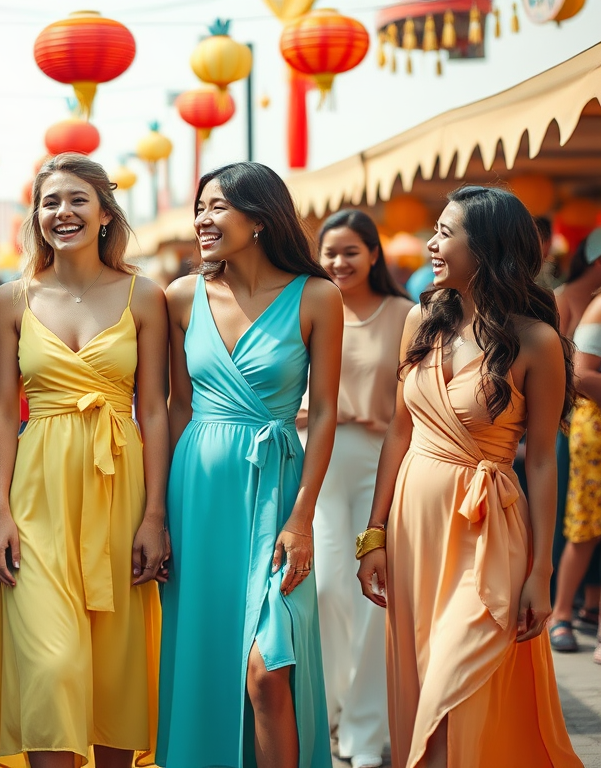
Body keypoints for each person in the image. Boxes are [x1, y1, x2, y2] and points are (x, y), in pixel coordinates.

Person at [357, 186, 582, 768]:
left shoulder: (536, 341)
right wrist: (373, 535)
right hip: (413, 530)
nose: (431, 243)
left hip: (489, 532)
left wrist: (542, 573)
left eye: (445, 232)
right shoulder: (420, 321)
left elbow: (540, 462)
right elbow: (398, 434)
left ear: (486, 246)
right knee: (426, 683)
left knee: (452, 690)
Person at [0, 153, 169, 768]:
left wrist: (155, 518)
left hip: (120, 487)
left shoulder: (146, 296)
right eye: (50, 202)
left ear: (105, 212)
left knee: (116, 671)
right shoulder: (11, 299)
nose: (63, 212)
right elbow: (3, 413)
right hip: (37, 493)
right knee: (50, 666)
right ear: (35, 218)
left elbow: (158, 411)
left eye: (77, 200)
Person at [158, 162, 342, 768]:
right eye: (200, 208)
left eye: (218, 207)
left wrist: (302, 516)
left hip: (277, 491)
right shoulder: (181, 297)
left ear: (260, 219)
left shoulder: (317, 296)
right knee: (206, 652)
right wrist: (158, 514)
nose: (203, 220)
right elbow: (175, 408)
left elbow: (323, 416)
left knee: (268, 668)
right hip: (198, 494)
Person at [302, 210, 413, 768]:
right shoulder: (307, 304)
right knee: (323, 591)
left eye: (350, 251)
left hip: (379, 462)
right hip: (315, 461)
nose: (339, 262)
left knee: (375, 599)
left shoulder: (404, 314)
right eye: (330, 252)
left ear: (374, 254)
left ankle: (366, 733)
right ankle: (331, 712)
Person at [550, 227, 601, 651]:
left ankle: (586, 608)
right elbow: (578, 373)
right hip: (577, 428)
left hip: (577, 424)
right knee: (580, 525)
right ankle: (561, 611)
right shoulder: (571, 298)